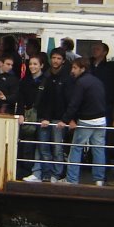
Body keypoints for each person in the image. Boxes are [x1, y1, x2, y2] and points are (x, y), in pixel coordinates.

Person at [58, 58, 107, 186]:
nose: (72, 71)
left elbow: (74, 103)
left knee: (76, 148)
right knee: (99, 149)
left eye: (74, 68)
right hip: (101, 119)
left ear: (82, 69)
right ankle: (99, 179)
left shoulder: (80, 83)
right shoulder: (98, 81)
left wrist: (65, 120)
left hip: (87, 120)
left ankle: (72, 179)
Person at [32, 47, 73, 182]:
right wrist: (44, 116)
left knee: (57, 148)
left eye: (58, 58)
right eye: (54, 58)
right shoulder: (46, 75)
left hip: (59, 119)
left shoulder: (67, 78)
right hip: (44, 117)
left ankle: (56, 174)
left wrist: (66, 119)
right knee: (43, 147)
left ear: (63, 61)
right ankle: (46, 174)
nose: (55, 61)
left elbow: (69, 100)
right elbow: (43, 98)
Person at [16, 54, 46, 179]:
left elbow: (49, 102)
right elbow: (21, 99)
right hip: (28, 116)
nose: (32, 66)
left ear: (41, 65)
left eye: (35, 64)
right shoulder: (25, 80)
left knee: (42, 146)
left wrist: (46, 117)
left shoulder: (46, 80)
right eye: (31, 64)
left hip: (42, 117)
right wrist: (21, 114)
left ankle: (40, 173)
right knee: (26, 144)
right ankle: (25, 171)